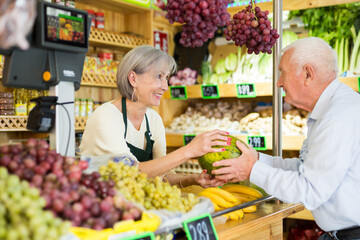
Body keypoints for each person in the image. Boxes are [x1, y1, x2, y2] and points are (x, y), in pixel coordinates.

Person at [212, 37, 360, 239]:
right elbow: (304, 168)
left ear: (308, 74)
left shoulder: (338, 117)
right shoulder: (329, 110)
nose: (279, 82)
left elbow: (310, 190)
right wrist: (256, 160)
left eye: (283, 72)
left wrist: (252, 170)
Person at [80, 45, 230, 188]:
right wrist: (189, 150)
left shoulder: (153, 119)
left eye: (166, 78)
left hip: (134, 204)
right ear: (133, 79)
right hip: (99, 205)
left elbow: (161, 176)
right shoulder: (106, 116)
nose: (165, 87)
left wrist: (193, 179)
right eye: (159, 76)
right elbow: (130, 173)